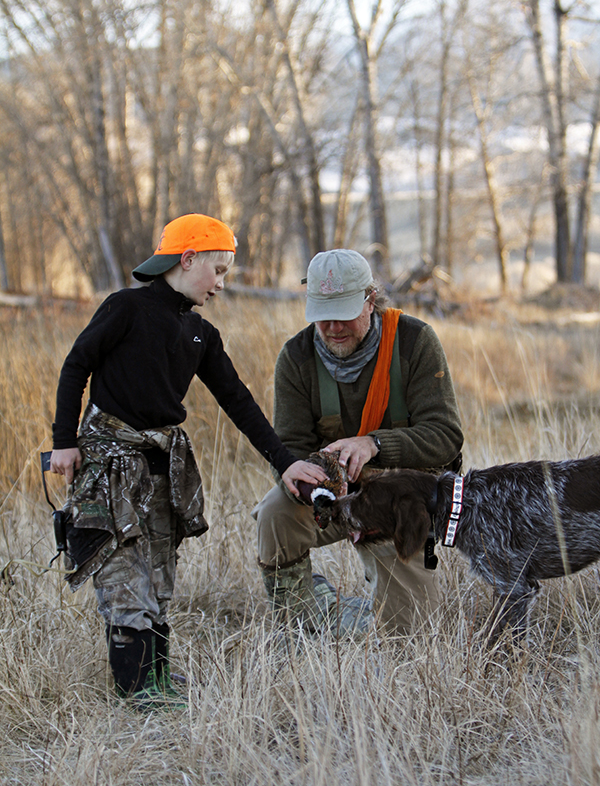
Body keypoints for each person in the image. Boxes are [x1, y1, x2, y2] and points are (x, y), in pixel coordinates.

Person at [50, 213, 326, 706]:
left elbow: (239, 402)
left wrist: (285, 464)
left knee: (158, 569)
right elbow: (76, 365)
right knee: (122, 568)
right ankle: (136, 691)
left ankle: (155, 676)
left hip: (161, 465)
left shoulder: (200, 334)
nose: (221, 284)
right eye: (217, 270)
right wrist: (64, 440)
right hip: (109, 462)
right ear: (188, 258)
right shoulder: (125, 308)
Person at [253, 248, 463, 636]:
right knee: (274, 514)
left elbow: (446, 437)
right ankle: (299, 619)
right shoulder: (296, 358)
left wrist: (373, 444)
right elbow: (290, 448)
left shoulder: (414, 341)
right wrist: (312, 484)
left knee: (411, 636)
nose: (333, 326)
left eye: (344, 311)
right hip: (332, 498)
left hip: (400, 505)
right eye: (321, 315)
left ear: (371, 300)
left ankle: (374, 612)